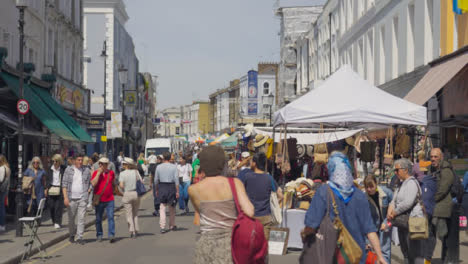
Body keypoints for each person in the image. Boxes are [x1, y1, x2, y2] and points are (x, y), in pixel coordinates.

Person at [302, 151, 386, 264]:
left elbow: (311, 226)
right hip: (356, 256)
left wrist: (304, 234)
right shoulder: (360, 195)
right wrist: (380, 256)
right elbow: (370, 230)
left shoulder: (323, 192)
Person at [188, 145, 255, 264]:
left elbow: (200, 212)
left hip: (206, 245)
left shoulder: (193, 189)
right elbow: (250, 211)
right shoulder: (235, 183)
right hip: (231, 243)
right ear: (223, 163)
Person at [387, 158, 425, 264]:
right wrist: (391, 207)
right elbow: (394, 199)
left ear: (405, 170)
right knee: (406, 252)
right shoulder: (401, 184)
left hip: (414, 221)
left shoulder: (412, 183)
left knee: (415, 253)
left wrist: (394, 212)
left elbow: (407, 203)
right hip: (403, 222)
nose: (395, 172)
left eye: (397, 170)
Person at [240, 152, 282, 241]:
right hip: (265, 217)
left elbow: (239, 194)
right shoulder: (269, 178)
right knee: (263, 247)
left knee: (250, 246)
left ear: (254, 163)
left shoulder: (247, 177)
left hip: (250, 217)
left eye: (251, 161)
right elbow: (281, 195)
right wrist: (273, 204)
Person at [430, 148, 458, 264]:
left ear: (441, 157)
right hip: (437, 207)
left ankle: (448, 259)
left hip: (443, 209)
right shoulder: (435, 169)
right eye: (431, 157)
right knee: (441, 235)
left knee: (443, 235)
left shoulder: (446, 170)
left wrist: (432, 199)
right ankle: (445, 259)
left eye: (435, 157)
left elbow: (442, 190)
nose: (433, 159)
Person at [364, 175, 393, 264]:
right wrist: (366, 240)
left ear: (376, 184)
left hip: (385, 224)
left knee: (385, 252)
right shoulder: (364, 197)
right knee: (373, 252)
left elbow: (394, 202)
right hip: (372, 228)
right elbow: (364, 219)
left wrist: (387, 221)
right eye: (367, 187)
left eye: (371, 186)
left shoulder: (386, 192)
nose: (369, 189)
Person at [62, 154, 91, 244]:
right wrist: (65, 197)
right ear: (74, 161)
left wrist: (89, 189)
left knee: (81, 218)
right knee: (71, 219)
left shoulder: (86, 170)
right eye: (78, 160)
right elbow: (64, 184)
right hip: (71, 198)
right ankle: (71, 235)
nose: (80, 162)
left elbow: (90, 182)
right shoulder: (68, 170)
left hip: (83, 197)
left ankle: (80, 237)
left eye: (81, 160)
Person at [91, 157, 116, 243]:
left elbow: (113, 183)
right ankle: (99, 234)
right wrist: (98, 174)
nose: (103, 166)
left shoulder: (111, 173)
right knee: (98, 219)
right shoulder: (95, 173)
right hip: (99, 200)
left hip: (110, 199)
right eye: (101, 164)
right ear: (99, 164)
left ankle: (111, 235)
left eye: (105, 164)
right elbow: (93, 183)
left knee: (111, 217)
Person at [155, 152, 179, 233]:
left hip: (162, 186)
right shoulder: (174, 167)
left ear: (163, 158)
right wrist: (177, 191)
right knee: (172, 207)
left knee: (162, 207)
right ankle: (172, 225)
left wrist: (157, 189)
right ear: (170, 158)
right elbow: (176, 180)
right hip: (171, 186)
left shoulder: (158, 167)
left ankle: (162, 226)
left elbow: (156, 180)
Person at [119, 158, 141, 238]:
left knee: (129, 214)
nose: (122, 165)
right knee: (135, 213)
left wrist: (124, 189)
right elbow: (140, 182)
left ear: (126, 165)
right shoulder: (136, 172)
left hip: (127, 193)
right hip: (135, 193)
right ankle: (137, 230)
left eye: (123, 164)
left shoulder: (122, 174)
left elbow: (121, 185)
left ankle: (132, 231)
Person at [46, 154, 66, 229]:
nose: (54, 162)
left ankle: (58, 222)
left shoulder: (63, 169)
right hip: (51, 189)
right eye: (53, 161)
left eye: (56, 161)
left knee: (58, 207)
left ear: (60, 161)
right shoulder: (49, 169)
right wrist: (46, 188)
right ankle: (54, 221)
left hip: (60, 190)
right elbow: (48, 179)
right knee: (51, 207)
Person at [0, 155, 11, 232]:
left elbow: (0, 180)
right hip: (5, 189)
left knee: (1, 207)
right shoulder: (8, 168)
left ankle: (2, 225)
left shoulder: (2, 168)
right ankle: (3, 224)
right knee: (2, 206)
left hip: (1, 190)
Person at [462, 171, 468, 235]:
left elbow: (463, 186)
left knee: (465, 214)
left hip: (466, 196)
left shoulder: (467, 173)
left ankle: (464, 228)